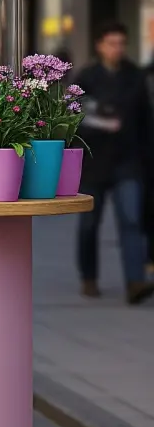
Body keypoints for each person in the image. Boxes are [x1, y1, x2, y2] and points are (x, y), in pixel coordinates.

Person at [75, 22, 154, 304]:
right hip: (94, 162)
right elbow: (75, 119)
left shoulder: (135, 76)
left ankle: (135, 282)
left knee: (131, 220)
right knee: (89, 223)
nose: (117, 48)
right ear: (100, 45)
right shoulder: (86, 77)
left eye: (121, 43)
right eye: (111, 43)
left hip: (128, 162)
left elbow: (146, 119)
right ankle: (89, 277)